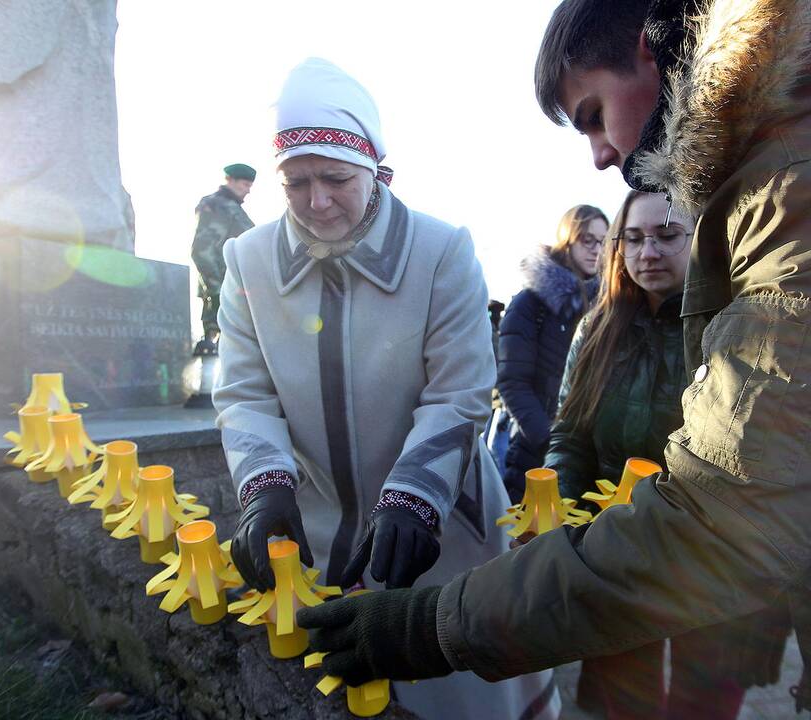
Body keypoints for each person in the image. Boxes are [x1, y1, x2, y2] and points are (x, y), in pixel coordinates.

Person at [297, 2, 811, 718]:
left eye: (592, 113)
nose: (601, 154)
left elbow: (724, 514)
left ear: (649, 53)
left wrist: (437, 625)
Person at [213, 58, 558, 720]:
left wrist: (416, 498)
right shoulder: (246, 260)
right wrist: (264, 488)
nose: (318, 201)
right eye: (296, 183)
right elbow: (245, 393)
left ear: (375, 168)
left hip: (437, 524)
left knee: (455, 687)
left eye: (336, 179)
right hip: (316, 523)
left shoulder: (441, 250)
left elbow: (457, 395)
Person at [548, 190, 749, 720]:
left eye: (666, 235)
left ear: (700, 238)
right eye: (633, 238)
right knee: (620, 694)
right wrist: (568, 522)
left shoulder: (731, 324)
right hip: (614, 547)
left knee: (703, 697)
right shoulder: (597, 328)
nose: (648, 252)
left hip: (707, 552)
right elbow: (569, 436)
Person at [496, 205, 605, 501]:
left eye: (604, 241)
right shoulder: (531, 303)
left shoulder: (611, 308)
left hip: (593, 463)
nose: (597, 249)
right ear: (567, 238)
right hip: (535, 454)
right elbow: (511, 382)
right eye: (587, 239)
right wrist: (552, 441)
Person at [191, 162, 255, 350]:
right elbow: (202, 251)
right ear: (229, 180)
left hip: (235, 293)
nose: (248, 191)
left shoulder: (233, 208)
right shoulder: (216, 205)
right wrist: (217, 291)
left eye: (250, 186)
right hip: (223, 295)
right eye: (245, 185)